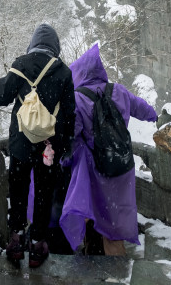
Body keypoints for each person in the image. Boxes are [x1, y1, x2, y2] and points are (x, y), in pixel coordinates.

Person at [0, 24, 75, 268]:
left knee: (18, 192)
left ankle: (16, 240)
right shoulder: (63, 72)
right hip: (48, 147)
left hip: (20, 144)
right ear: (55, 46)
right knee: (43, 194)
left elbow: (1, 96)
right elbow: (70, 113)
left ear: (33, 43)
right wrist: (64, 144)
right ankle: (38, 245)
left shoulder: (21, 65)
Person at [60, 43, 157, 255]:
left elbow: (71, 133)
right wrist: (156, 117)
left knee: (91, 210)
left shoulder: (78, 98)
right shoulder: (119, 91)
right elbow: (144, 109)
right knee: (115, 226)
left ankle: (89, 255)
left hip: (96, 168)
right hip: (121, 165)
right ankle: (117, 264)